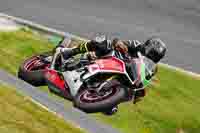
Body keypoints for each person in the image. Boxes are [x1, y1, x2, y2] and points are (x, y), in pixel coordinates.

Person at [54, 35, 166, 114]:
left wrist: (139, 93)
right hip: (112, 58)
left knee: (111, 110)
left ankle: (99, 94)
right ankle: (68, 53)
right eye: (153, 53)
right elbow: (118, 41)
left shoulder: (153, 68)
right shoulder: (137, 45)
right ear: (147, 46)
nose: (153, 57)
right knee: (103, 42)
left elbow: (143, 80)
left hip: (125, 76)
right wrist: (120, 44)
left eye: (156, 56)